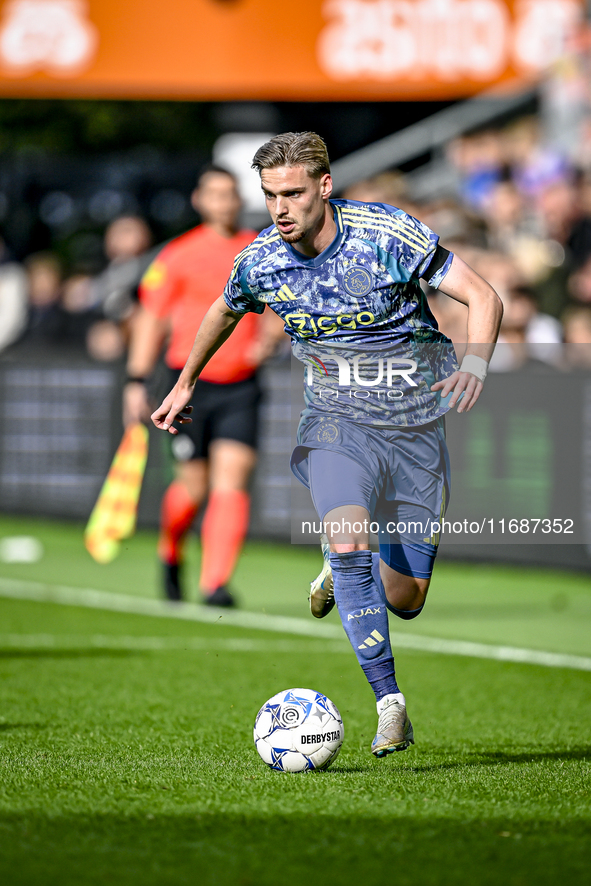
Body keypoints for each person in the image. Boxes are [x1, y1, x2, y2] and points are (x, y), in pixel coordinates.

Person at [150, 133, 503, 758]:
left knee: (406, 598)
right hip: (335, 425)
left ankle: (348, 567)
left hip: (415, 427)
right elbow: (223, 312)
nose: (280, 208)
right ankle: (389, 704)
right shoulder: (261, 259)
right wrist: (184, 382)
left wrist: (474, 364)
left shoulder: (385, 234)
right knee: (350, 541)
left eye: (291, 193)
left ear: (324, 186)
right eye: (269, 196)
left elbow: (482, 295)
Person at [124, 165, 283, 607]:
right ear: (199, 200)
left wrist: (269, 340)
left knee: (231, 482)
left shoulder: (259, 247)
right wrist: (136, 380)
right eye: (215, 193)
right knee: (193, 488)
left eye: (230, 194)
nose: (223, 202)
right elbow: (150, 320)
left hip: (241, 385)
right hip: (189, 387)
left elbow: (281, 304)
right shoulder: (177, 255)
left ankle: (216, 584)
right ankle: (171, 550)